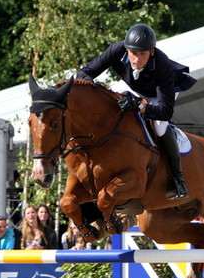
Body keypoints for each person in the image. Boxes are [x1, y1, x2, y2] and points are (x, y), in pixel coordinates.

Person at [76, 23, 197, 200]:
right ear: (126, 50)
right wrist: (93, 89)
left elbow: (165, 111)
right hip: (133, 86)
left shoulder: (162, 65)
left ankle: (178, 180)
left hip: (160, 94)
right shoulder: (116, 50)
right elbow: (84, 73)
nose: (137, 59)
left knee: (159, 126)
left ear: (152, 52)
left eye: (143, 54)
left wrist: (141, 106)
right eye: (133, 53)